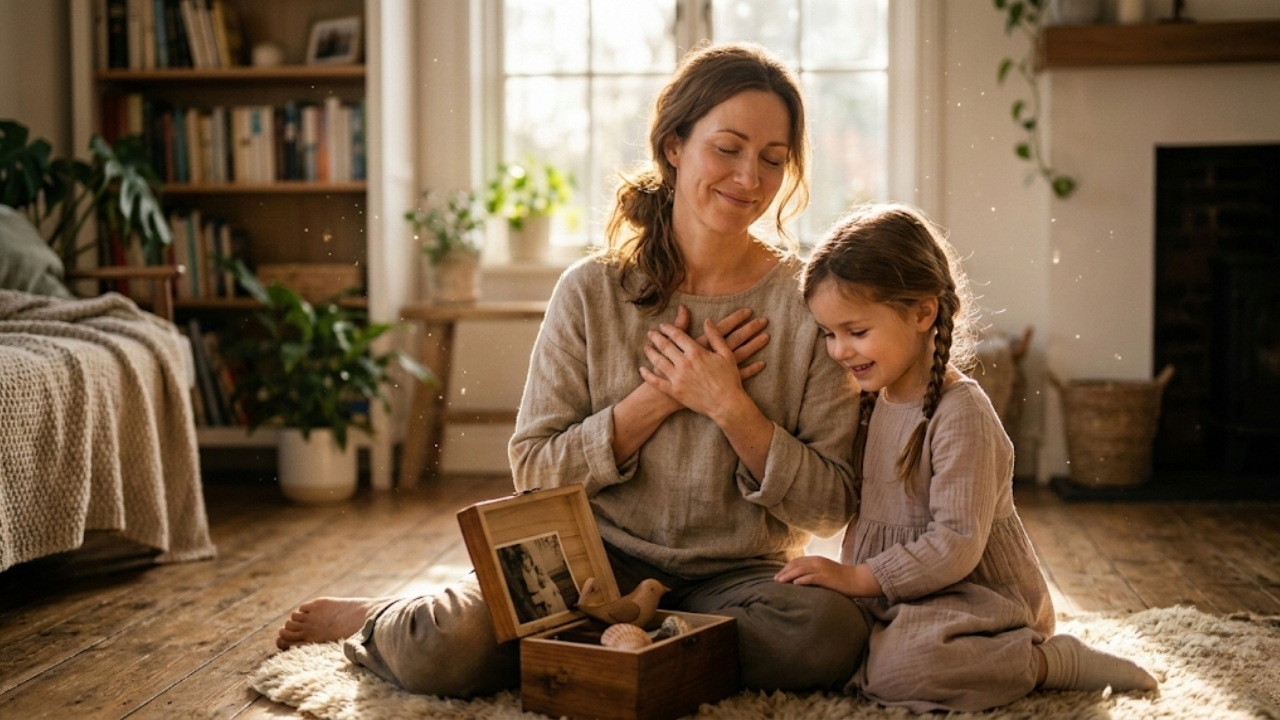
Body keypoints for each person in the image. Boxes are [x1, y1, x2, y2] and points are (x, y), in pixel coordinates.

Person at [275, 40, 870, 697]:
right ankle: (380, 617)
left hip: (738, 579)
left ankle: (601, 641)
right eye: (727, 148)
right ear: (674, 145)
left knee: (826, 634)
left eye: (773, 160)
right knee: (446, 649)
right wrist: (658, 399)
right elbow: (532, 467)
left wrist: (729, 405)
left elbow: (832, 501)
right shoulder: (591, 290)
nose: (750, 179)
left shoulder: (808, 300)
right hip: (585, 561)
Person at [774, 203, 1158, 713]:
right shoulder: (869, 402)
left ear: (921, 313)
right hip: (890, 597)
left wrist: (859, 579)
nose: (839, 350)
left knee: (908, 666)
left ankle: (1049, 662)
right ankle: (881, 656)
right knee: (799, 631)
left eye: (856, 331)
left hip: (974, 603)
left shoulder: (962, 414)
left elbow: (955, 545)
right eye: (829, 334)